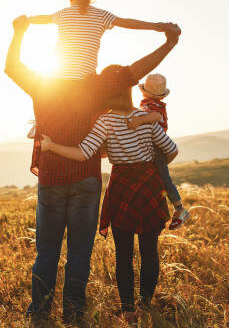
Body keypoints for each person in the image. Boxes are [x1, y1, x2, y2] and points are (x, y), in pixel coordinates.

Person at [4, 14, 180, 326]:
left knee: (46, 252)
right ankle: (74, 314)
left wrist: (19, 33)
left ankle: (40, 314)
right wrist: (168, 42)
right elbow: (135, 72)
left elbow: (12, 67)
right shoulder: (98, 85)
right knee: (79, 254)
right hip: (86, 179)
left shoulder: (43, 82)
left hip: (51, 178)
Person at [39, 85, 178, 322]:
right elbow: (172, 150)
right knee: (149, 249)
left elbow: (84, 153)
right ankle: (144, 304)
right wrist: (152, 163)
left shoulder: (105, 121)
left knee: (123, 253)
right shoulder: (144, 118)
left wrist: (51, 146)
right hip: (150, 186)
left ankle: (128, 310)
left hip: (122, 186)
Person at [28, 0, 175, 80]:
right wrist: (157, 26)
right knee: (125, 78)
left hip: (59, 80)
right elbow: (128, 22)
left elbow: (43, 19)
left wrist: (27, 20)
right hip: (86, 82)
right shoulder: (101, 15)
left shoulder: (62, 14)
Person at [127, 73, 190, 229]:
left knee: (164, 178)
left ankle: (180, 209)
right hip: (154, 146)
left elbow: (155, 117)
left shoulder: (153, 107)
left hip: (156, 146)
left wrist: (138, 120)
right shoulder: (152, 104)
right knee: (160, 177)